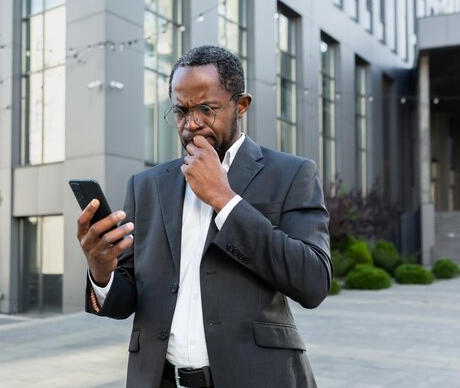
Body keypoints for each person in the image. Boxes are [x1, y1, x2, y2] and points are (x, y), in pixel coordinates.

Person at [76, 45, 331, 388]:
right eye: (181, 111)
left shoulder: (291, 173)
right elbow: (127, 300)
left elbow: (313, 283)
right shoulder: (146, 185)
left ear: (241, 105)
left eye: (206, 109)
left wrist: (225, 200)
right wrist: (101, 270)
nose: (191, 124)